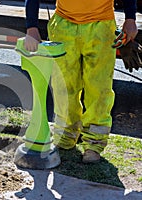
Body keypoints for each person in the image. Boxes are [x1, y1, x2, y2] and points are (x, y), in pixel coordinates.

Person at [24, 0, 138, 163]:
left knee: (99, 88)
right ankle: (65, 136)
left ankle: (94, 143)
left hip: (101, 27)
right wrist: (31, 27)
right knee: (63, 86)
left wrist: (130, 19)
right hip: (64, 26)